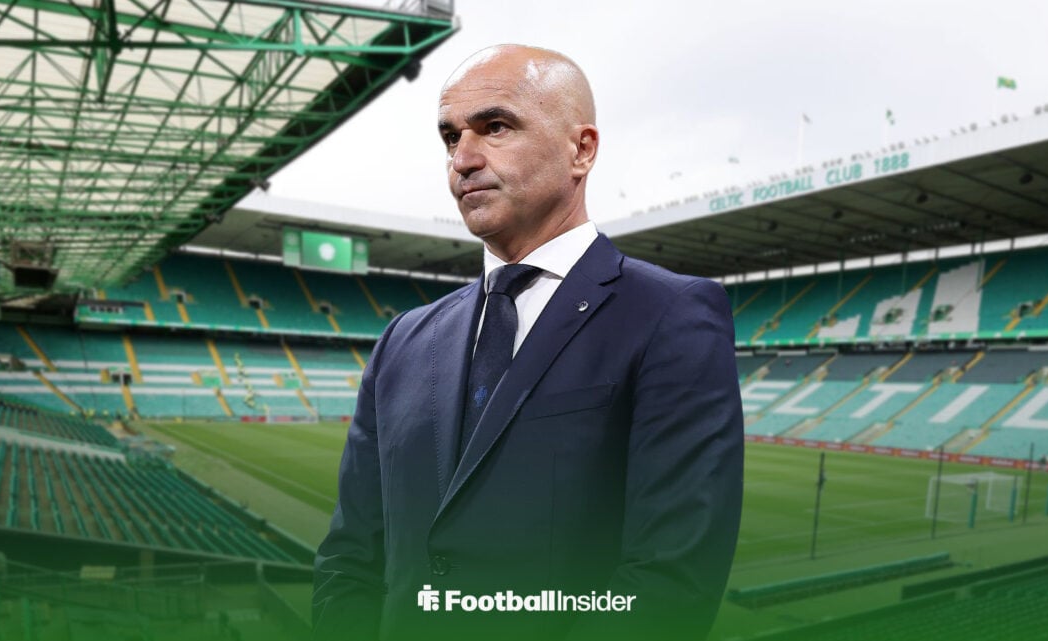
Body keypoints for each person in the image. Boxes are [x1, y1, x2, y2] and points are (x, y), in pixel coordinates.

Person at [313, 44, 743, 641]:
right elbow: (349, 555)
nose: (462, 158)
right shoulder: (402, 340)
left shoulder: (671, 314)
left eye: (495, 127)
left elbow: (670, 582)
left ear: (581, 149)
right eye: (449, 137)